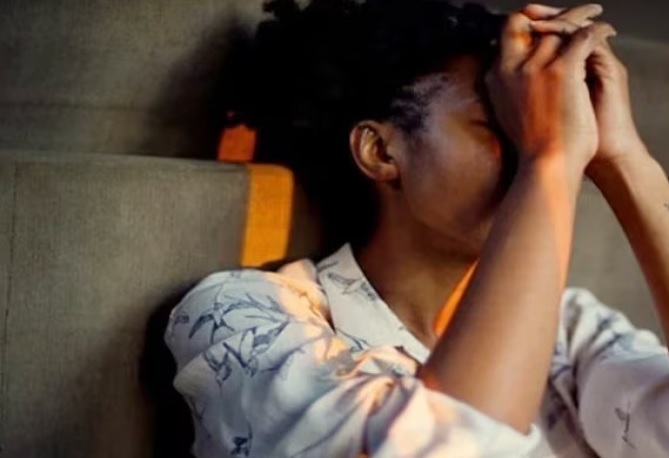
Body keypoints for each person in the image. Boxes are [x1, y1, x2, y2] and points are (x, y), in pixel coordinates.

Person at [164, 0, 669, 456]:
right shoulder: (243, 318)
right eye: (502, 125)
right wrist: (550, 156)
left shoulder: (571, 327)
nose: (527, 147)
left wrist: (626, 162)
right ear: (380, 151)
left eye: (536, 127)